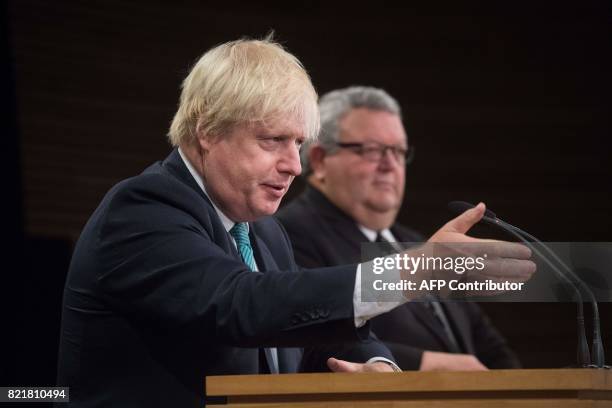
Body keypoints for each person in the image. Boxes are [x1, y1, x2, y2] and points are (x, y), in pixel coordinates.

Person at [57, 39, 533, 407]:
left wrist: (380, 367)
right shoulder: (143, 210)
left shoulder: (264, 230)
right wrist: (408, 272)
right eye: (273, 141)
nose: (295, 166)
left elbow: (319, 331)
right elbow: (241, 305)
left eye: (298, 144)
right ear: (207, 130)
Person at [276, 86, 521, 371]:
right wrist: (424, 364)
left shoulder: (416, 241)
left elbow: (487, 344)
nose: (390, 164)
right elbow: (314, 335)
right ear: (319, 160)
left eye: (398, 151)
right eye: (372, 150)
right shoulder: (288, 235)